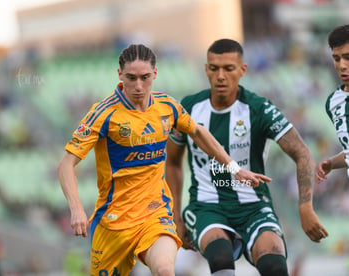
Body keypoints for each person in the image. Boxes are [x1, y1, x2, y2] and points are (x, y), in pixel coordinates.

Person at [57, 44, 271, 276]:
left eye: (145, 77)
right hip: (114, 222)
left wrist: (233, 168)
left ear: (155, 74)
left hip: (155, 213)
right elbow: (66, 164)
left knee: (164, 270)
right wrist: (77, 209)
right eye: (131, 78)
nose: (138, 86)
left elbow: (198, 132)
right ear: (120, 75)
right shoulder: (103, 114)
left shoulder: (166, 106)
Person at [166, 39, 328, 276]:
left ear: (242, 70)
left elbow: (302, 153)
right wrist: (174, 216)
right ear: (206, 69)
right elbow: (172, 162)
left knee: (274, 265)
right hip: (207, 205)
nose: (220, 75)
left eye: (228, 68)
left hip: (254, 206)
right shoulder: (188, 108)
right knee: (220, 257)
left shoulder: (259, 108)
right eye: (214, 68)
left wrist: (305, 207)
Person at [316, 24, 349, 182]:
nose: (342, 65)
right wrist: (331, 163)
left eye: (348, 57)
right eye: (337, 58)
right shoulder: (333, 102)